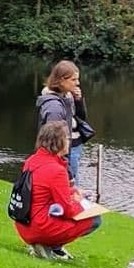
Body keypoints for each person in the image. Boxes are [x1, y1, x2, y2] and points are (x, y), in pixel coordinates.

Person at [14, 120, 102, 261]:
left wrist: (74, 191)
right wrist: (84, 205)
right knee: (95, 219)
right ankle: (51, 245)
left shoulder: (32, 160)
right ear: (59, 142)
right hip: (39, 227)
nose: (69, 141)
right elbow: (67, 209)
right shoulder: (57, 171)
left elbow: (44, 190)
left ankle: (50, 245)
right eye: (67, 138)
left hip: (24, 224)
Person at [36, 60, 90, 189]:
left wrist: (78, 101)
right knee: (69, 185)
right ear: (60, 80)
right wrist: (68, 174)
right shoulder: (53, 106)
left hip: (73, 145)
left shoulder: (67, 96)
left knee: (72, 182)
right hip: (65, 151)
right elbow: (54, 143)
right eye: (73, 79)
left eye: (77, 79)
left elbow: (81, 118)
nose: (77, 83)